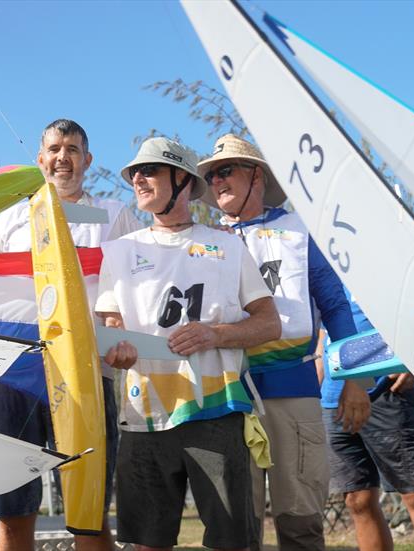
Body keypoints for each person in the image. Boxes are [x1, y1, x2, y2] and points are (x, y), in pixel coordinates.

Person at [95, 137, 280, 551]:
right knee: (147, 543)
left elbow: (269, 324)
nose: (138, 178)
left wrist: (215, 334)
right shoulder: (120, 251)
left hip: (215, 411)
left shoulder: (228, 246)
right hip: (145, 415)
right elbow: (112, 326)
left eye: (150, 170)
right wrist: (118, 350)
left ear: (182, 179)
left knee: (232, 542)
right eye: (134, 173)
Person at [197, 134, 371, 551]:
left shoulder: (299, 232)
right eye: (212, 175)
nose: (217, 181)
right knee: (237, 528)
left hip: (292, 391)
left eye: (226, 171)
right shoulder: (203, 240)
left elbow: (336, 306)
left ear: (256, 175)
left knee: (300, 522)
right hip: (227, 395)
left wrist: (354, 379)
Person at [0, 118, 141, 551]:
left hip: (86, 371)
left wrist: (120, 331)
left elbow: (132, 286)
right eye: (54, 148)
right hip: (14, 370)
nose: (62, 157)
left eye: (72, 149)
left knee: (89, 518)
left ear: (87, 160)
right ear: (40, 159)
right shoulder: (11, 219)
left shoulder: (112, 213)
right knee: (12, 516)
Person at [318, 296, 414, 551]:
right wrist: (315, 392)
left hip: (386, 393)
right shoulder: (327, 265)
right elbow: (322, 332)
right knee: (357, 499)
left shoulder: (389, 260)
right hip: (332, 398)